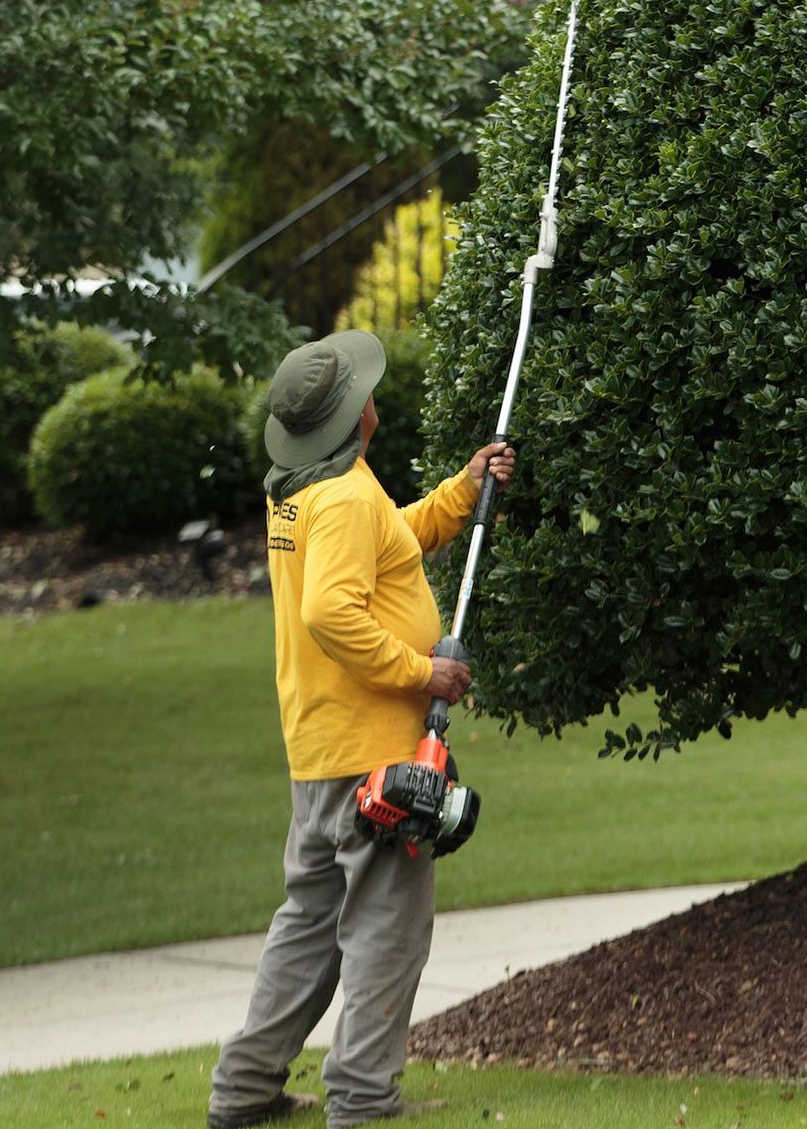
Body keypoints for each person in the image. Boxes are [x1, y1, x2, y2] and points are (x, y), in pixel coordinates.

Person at [209, 330, 516, 1129]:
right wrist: (425, 674)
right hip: (372, 753)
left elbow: (389, 548)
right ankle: (363, 1099)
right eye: (363, 391)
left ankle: (243, 1092)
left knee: (308, 925)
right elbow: (330, 612)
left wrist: (461, 491)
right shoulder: (343, 495)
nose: (372, 398)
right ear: (354, 415)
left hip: (319, 750)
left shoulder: (306, 488)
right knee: (386, 931)